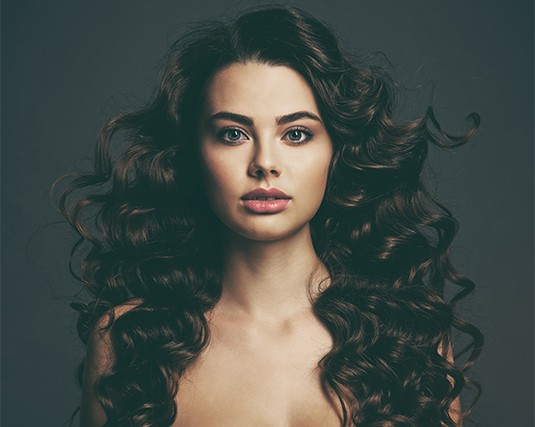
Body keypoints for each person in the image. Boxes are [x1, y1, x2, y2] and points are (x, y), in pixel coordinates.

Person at [58, 5, 483, 426]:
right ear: (193, 154)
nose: (264, 163)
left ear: (336, 151)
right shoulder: (129, 338)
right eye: (233, 134)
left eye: (296, 134)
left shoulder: (406, 336)